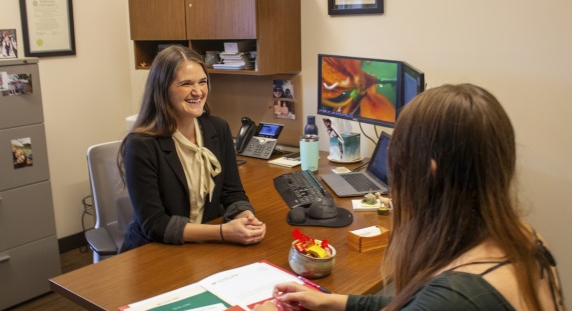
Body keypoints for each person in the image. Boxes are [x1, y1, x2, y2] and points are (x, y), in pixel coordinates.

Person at [255, 84, 564, 311]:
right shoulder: (525, 239)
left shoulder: (454, 296)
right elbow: (413, 302)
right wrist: (335, 302)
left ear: (427, 171)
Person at [118, 46, 266, 252]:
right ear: (162, 89)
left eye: (202, 82)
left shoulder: (218, 128)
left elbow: (232, 193)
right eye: (186, 84)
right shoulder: (141, 144)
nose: (198, 92)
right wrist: (223, 232)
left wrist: (245, 217)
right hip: (154, 250)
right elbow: (154, 224)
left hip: (201, 247)